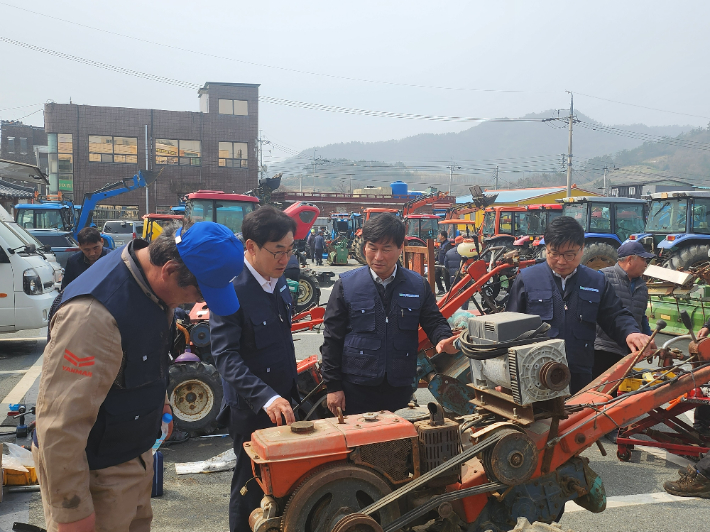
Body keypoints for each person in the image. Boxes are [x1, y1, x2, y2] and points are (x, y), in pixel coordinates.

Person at [33, 221, 244, 532]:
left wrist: (161, 403)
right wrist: (71, 512)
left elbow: (143, 355)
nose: (192, 303)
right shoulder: (92, 317)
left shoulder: (151, 284)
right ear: (170, 270)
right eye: (196, 293)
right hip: (94, 473)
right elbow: (59, 426)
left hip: (134, 456)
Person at [209, 206, 300, 532]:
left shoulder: (280, 282)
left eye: (290, 251)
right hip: (252, 410)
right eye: (278, 252)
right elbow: (225, 356)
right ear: (250, 247)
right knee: (249, 486)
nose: (285, 259)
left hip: (285, 402)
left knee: (284, 485)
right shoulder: (230, 290)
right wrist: (266, 397)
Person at [321, 213, 458, 416]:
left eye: (386, 249)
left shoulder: (417, 285)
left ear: (400, 248)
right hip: (356, 386)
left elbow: (434, 320)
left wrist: (443, 338)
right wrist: (333, 386)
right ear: (364, 247)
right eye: (372, 248)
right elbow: (332, 338)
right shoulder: (346, 285)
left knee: (398, 444)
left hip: (399, 386)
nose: (378, 257)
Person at [506, 216, 653, 394]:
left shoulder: (596, 281)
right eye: (554, 253)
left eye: (569, 255)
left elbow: (615, 315)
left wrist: (631, 332)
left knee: (579, 419)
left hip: (579, 373)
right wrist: (506, 374)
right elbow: (510, 327)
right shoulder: (528, 279)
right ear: (546, 249)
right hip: (535, 374)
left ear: (582, 249)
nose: (561, 261)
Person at [593, 240, 654, 379]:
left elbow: (641, 317)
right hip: (603, 349)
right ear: (630, 260)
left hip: (627, 352)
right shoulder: (602, 278)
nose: (646, 264)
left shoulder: (642, 286)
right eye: (643, 259)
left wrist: (648, 339)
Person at [435, 230, 454, 295]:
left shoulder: (447, 245)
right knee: (436, 276)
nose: (438, 236)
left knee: (446, 278)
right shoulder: (441, 244)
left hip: (444, 264)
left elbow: (447, 255)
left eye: (439, 235)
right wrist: (436, 260)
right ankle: (441, 290)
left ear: (443, 236)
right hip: (439, 264)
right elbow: (439, 253)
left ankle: (448, 291)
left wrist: (446, 264)